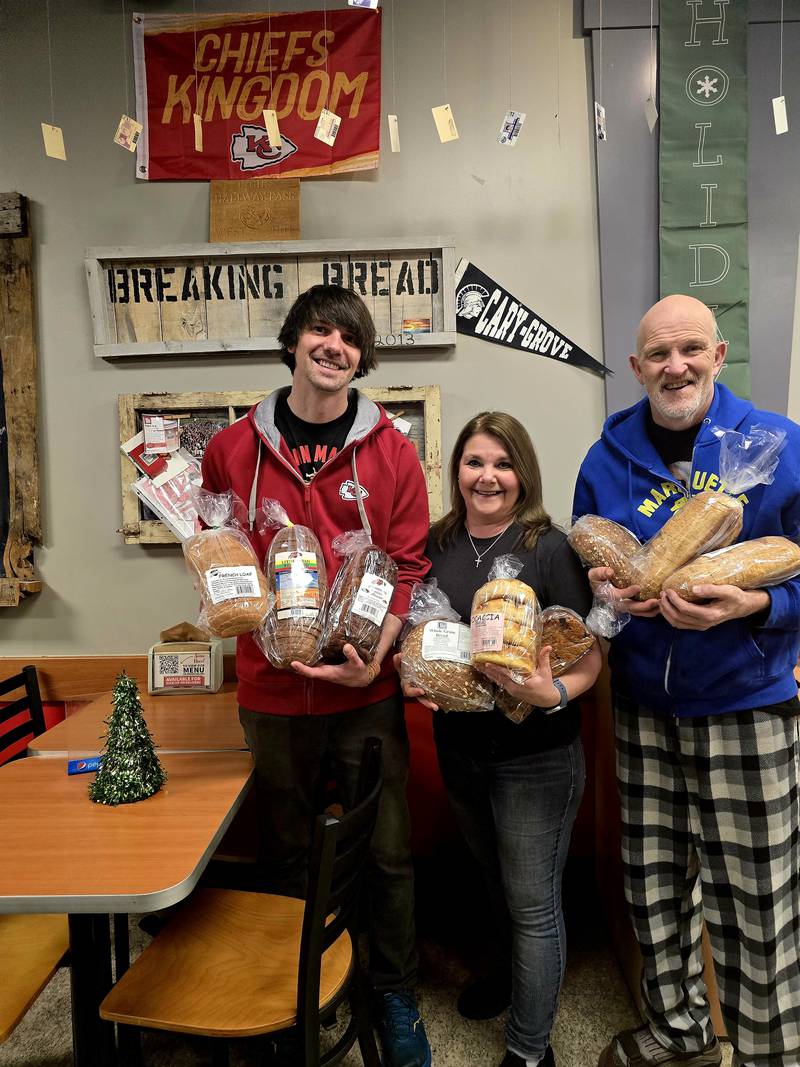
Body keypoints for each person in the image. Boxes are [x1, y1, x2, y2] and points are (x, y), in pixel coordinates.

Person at [201, 284, 432, 1067]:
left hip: (364, 691)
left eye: (350, 338)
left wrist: (379, 648)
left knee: (390, 851)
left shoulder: (394, 452)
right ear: (294, 341)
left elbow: (405, 564)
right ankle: (297, 989)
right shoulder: (230, 447)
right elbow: (217, 553)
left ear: (363, 357)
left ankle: (394, 993)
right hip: (271, 696)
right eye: (320, 331)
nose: (334, 346)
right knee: (291, 850)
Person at [573, 294, 800, 1067]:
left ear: (719, 353)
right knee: (656, 885)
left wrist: (758, 601)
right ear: (636, 368)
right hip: (642, 707)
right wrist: (606, 592)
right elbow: (587, 569)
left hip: (745, 700)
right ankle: (678, 1029)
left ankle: (771, 1050)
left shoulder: (780, 444)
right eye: (659, 355)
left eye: (691, 350)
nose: (677, 367)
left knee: (757, 902)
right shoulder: (604, 459)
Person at [399, 411, 601, 1067]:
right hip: (460, 747)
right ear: (456, 470)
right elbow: (421, 636)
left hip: (537, 755)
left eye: (503, 463)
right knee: (492, 880)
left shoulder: (550, 546)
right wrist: (415, 671)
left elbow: (589, 654)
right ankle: (513, 979)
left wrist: (556, 693)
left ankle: (530, 1047)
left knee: (533, 899)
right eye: (475, 461)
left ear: (522, 475)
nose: (488, 476)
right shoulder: (436, 544)